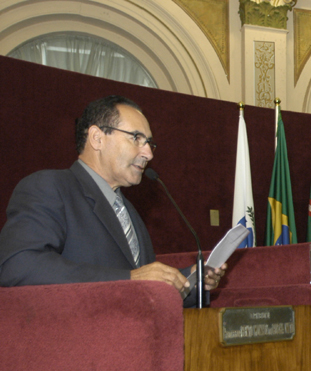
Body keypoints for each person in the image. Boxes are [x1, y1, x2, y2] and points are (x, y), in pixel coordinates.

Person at [0, 95, 225, 305]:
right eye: (136, 138)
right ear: (97, 138)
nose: (149, 153)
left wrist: (191, 282)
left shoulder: (131, 213)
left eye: (149, 143)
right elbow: (19, 266)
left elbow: (144, 293)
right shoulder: (51, 187)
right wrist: (128, 279)